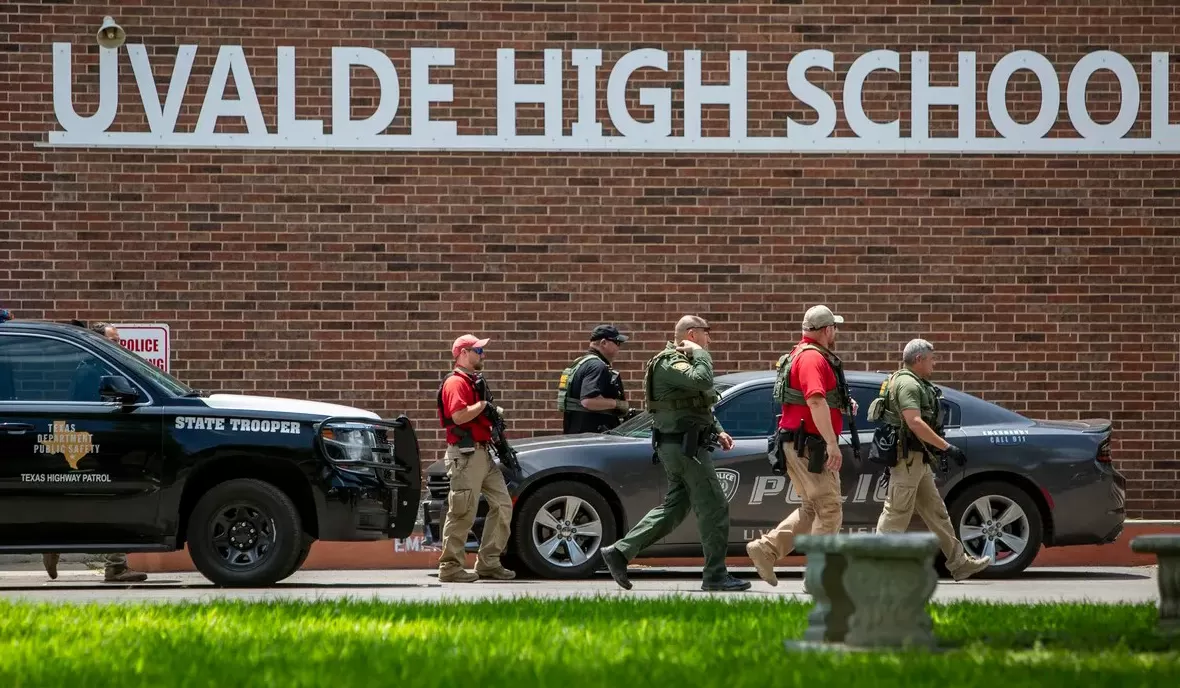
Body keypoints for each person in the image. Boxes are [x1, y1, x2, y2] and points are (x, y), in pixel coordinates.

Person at [600, 315, 749, 592]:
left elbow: (697, 403)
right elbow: (703, 381)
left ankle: (620, 552)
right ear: (692, 334)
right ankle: (715, 575)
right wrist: (702, 355)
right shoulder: (670, 362)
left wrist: (717, 430)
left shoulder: (683, 361)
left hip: (684, 444)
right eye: (707, 334)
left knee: (675, 509)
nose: (709, 340)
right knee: (714, 507)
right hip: (684, 447)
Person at [745, 305, 856, 587]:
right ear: (827, 330)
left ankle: (766, 549)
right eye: (835, 327)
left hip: (798, 442)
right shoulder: (812, 359)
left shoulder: (799, 354)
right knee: (829, 508)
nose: (836, 333)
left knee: (812, 509)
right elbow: (815, 400)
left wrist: (841, 406)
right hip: (811, 446)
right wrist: (832, 444)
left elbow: (817, 400)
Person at [870, 338, 991, 581]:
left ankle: (959, 562)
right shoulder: (907, 385)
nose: (934, 363)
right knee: (895, 514)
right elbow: (914, 421)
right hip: (908, 461)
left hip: (917, 460)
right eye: (931, 359)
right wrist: (946, 448)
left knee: (937, 513)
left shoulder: (912, 381)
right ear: (919, 359)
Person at [44, 320, 149, 583]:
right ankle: (113, 565)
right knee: (112, 501)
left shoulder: (102, 368)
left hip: (103, 444)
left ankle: (57, 542)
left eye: (119, 340)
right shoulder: (91, 371)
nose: (118, 345)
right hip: (97, 446)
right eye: (113, 340)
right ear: (99, 341)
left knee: (99, 502)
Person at [434, 334, 516, 583]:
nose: (482, 355)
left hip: (482, 454)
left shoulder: (473, 381)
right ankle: (450, 567)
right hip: (466, 455)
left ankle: (489, 562)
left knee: (502, 504)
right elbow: (458, 416)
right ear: (463, 353)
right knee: (463, 511)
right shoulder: (456, 383)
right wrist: (483, 406)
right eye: (478, 351)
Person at [558, 324, 631, 434]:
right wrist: (616, 404)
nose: (618, 347)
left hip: (577, 433)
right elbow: (588, 401)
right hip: (593, 436)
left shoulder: (581, 363)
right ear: (603, 343)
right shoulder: (597, 366)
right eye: (617, 342)